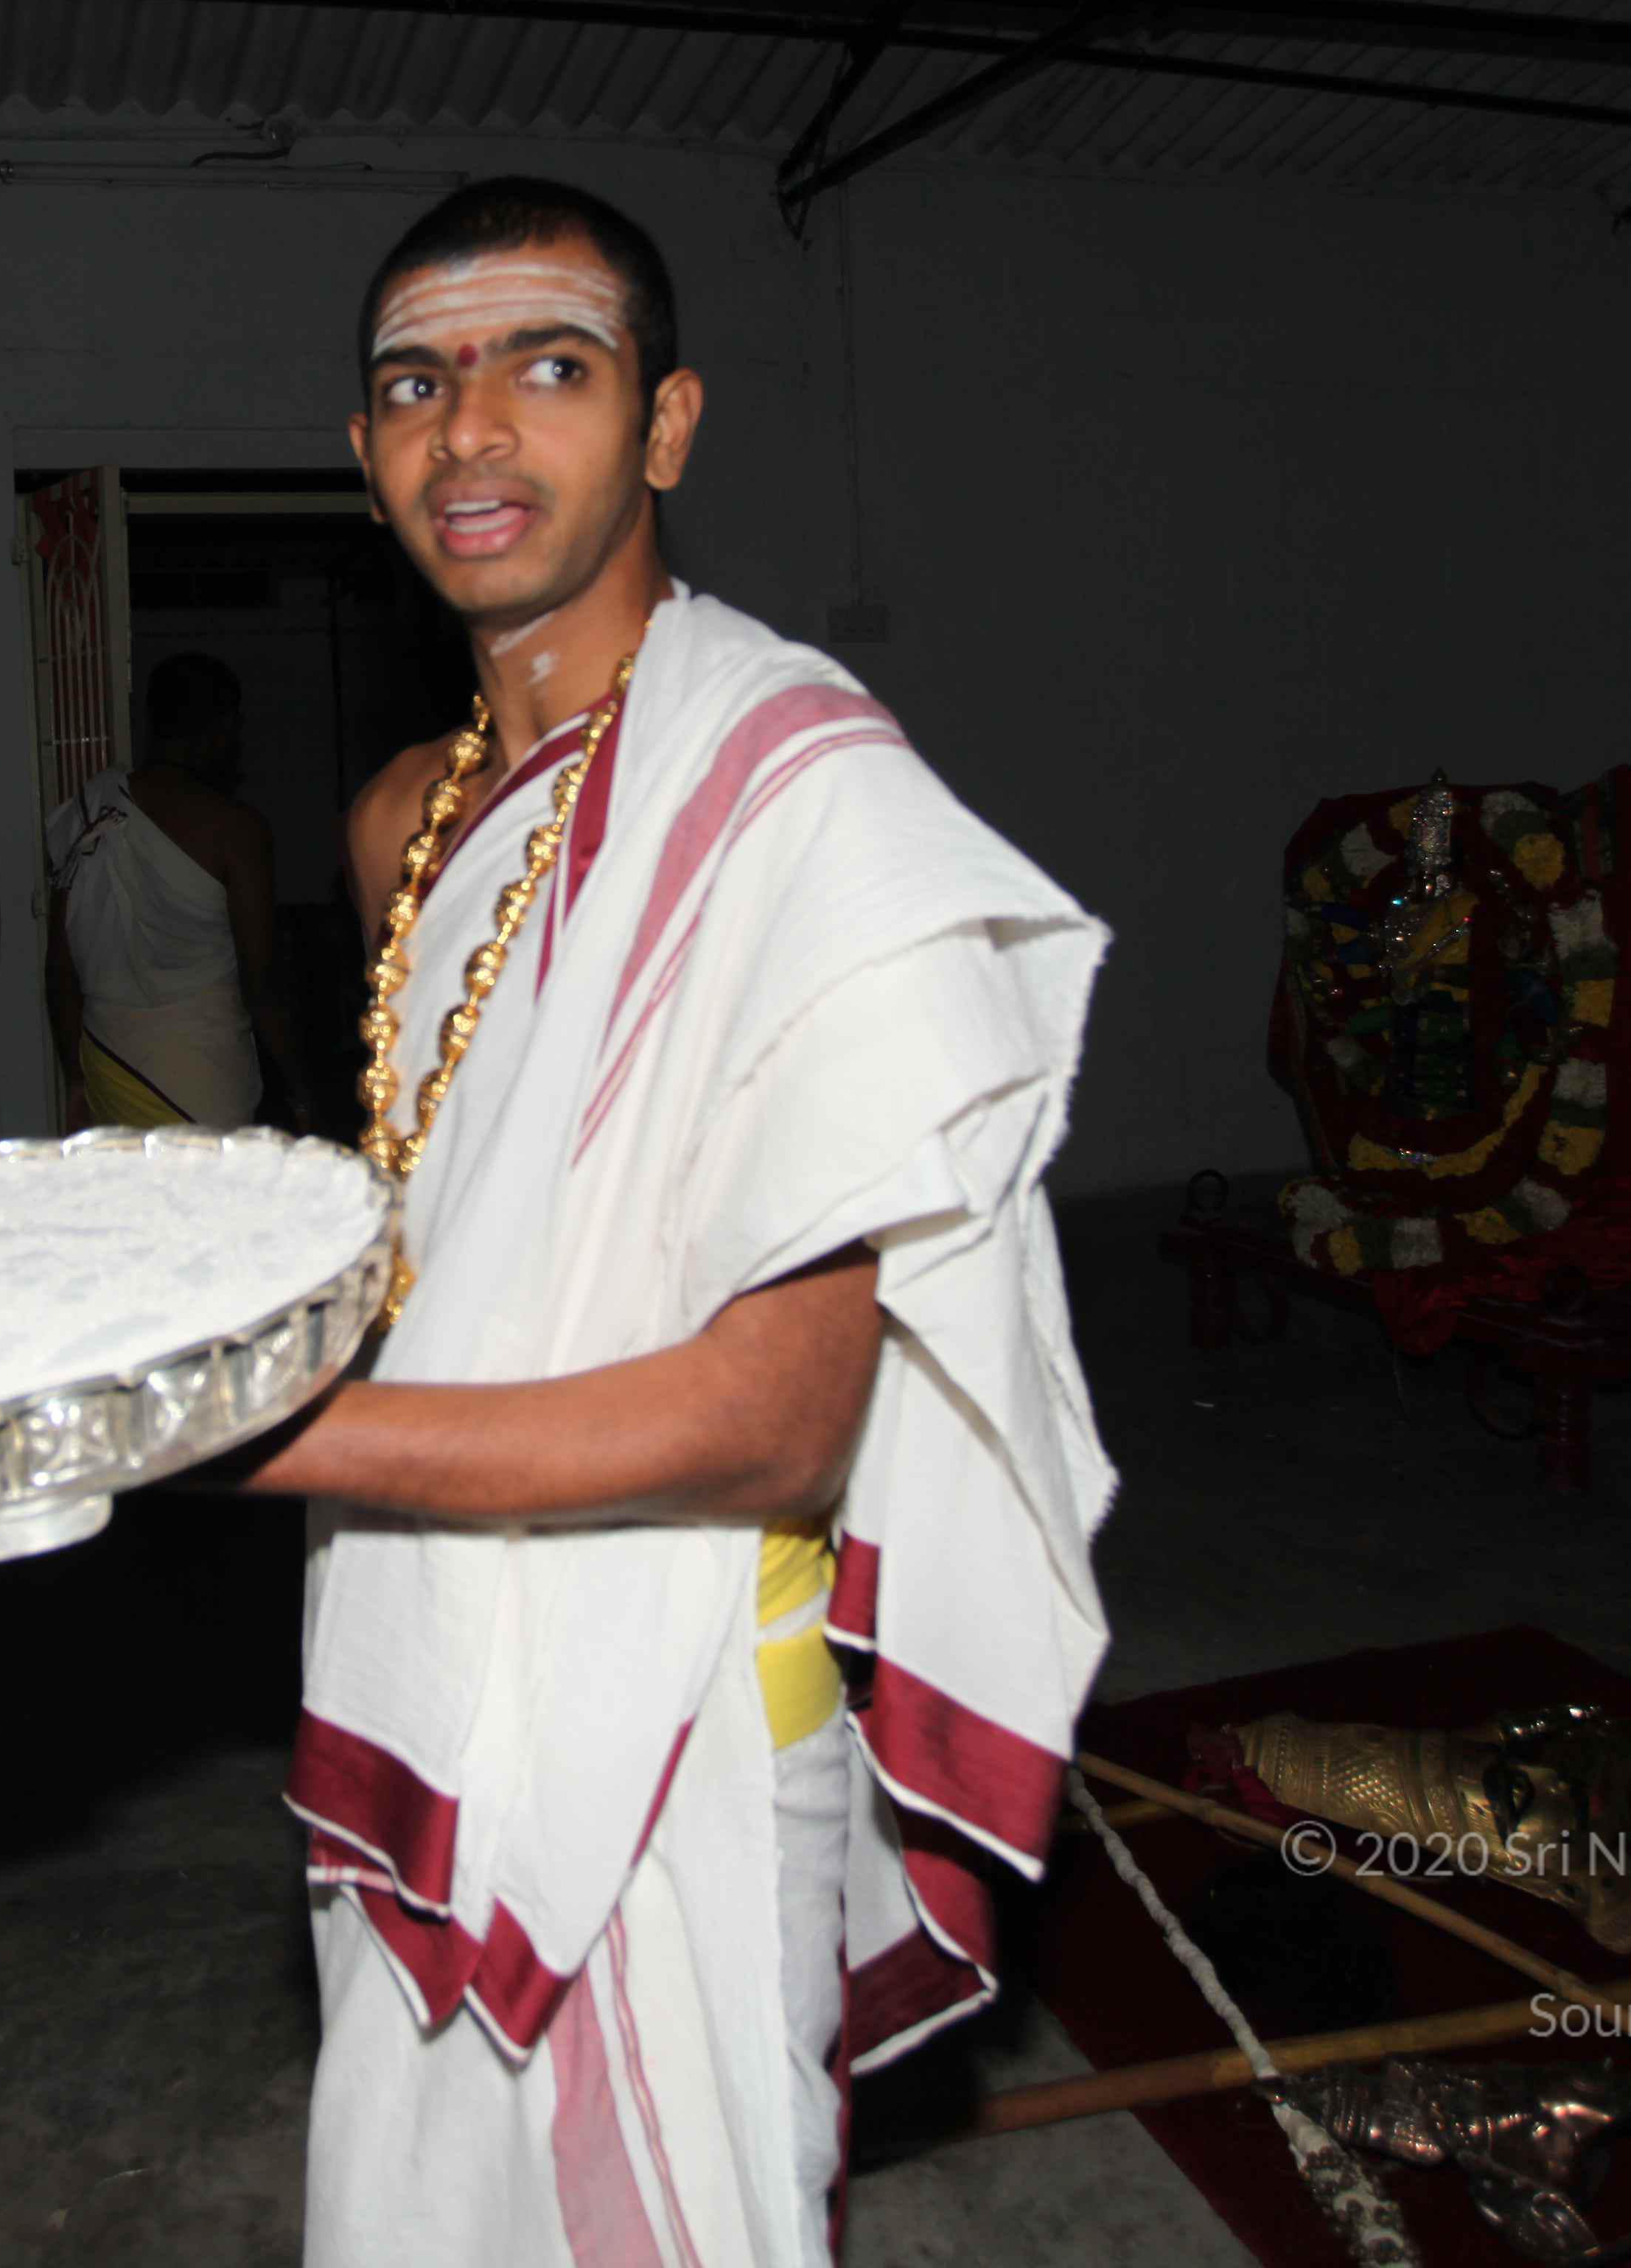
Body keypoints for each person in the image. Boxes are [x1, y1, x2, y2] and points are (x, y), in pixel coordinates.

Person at [254, 180, 1117, 2264]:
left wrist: (243, 1433)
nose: (471, 429)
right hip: (416, 1609)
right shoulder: (401, 821)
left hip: (688, 1685)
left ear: (666, 422)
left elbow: (777, 1419)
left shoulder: (801, 794)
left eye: (547, 367)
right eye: (414, 385)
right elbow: (450, 1230)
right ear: (364, 452)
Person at [46, 654, 298, 1130]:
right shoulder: (236, 830)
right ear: (222, 728)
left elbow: (59, 971)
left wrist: (77, 1081)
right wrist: (301, 1091)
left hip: (108, 1068)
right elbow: (262, 987)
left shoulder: (90, 816)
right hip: (205, 1080)